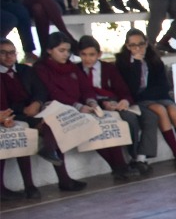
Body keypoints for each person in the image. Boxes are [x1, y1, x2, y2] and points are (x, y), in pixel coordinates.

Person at [35, 32, 135, 180]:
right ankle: (117, 166)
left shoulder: (71, 67)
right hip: (57, 107)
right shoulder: (41, 68)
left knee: (104, 122)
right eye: (61, 51)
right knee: (87, 125)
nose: (66, 54)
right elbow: (53, 92)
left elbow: (85, 88)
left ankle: (120, 166)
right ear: (49, 50)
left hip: (79, 106)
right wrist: (78, 106)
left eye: (68, 51)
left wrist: (91, 102)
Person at [0, 37, 84, 191]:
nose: (8, 56)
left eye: (12, 52)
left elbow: (41, 89)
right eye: (3, 53)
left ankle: (62, 175)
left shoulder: (25, 70)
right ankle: (30, 186)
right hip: (14, 114)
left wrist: (37, 102)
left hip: (33, 110)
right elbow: (3, 103)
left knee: (52, 123)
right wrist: (22, 111)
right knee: (22, 134)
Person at [117, 29, 176, 167]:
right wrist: (136, 65)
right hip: (140, 98)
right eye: (133, 45)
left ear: (147, 43)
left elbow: (164, 85)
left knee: (174, 111)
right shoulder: (123, 62)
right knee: (160, 110)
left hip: (157, 95)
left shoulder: (153, 58)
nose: (138, 48)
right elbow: (132, 88)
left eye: (141, 44)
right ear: (127, 46)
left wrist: (153, 94)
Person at [76, 34, 147, 174]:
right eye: (83, 54)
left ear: (99, 54)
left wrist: (124, 101)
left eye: (92, 54)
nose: (88, 59)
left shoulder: (108, 69)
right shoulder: (76, 70)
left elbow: (123, 90)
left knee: (130, 119)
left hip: (113, 103)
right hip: (91, 107)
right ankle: (119, 166)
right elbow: (80, 93)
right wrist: (100, 104)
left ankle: (134, 157)